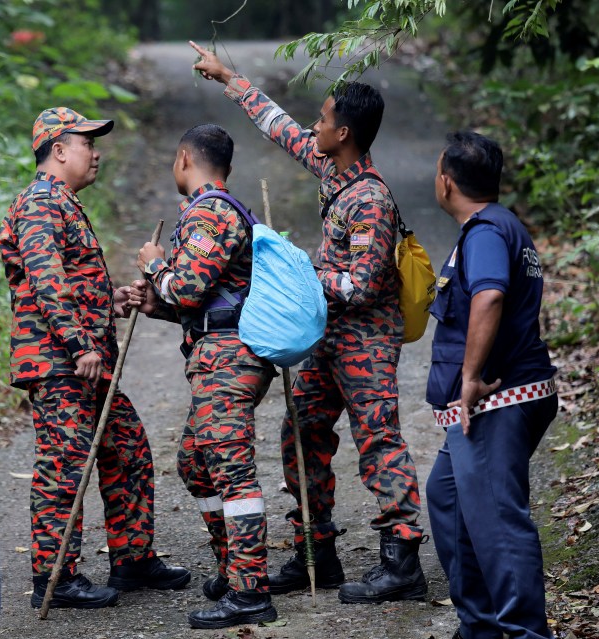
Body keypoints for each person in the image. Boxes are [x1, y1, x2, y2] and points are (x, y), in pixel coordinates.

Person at [190, 42, 427, 603]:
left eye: (322, 119)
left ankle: (402, 560)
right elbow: (278, 127)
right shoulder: (330, 167)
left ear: (344, 133)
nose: (312, 127)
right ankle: (316, 551)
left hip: (366, 340)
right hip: (328, 338)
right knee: (301, 433)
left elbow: (363, 285)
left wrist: (299, 274)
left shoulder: (370, 199)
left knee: (378, 439)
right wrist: (231, 77)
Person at [0, 107, 190, 610]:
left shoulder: (62, 202)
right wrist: (79, 342)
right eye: (86, 142)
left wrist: (114, 300)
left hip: (85, 362)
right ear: (59, 150)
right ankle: (55, 577)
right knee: (64, 465)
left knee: (126, 448)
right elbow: (46, 280)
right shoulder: (41, 203)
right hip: (61, 362)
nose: (96, 150)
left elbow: (74, 283)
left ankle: (131, 559)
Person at [136, 124, 278, 629]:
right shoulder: (214, 210)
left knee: (233, 471)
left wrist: (156, 268)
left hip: (229, 362)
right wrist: (157, 304)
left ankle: (250, 591)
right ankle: (233, 567)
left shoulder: (211, 212)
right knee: (196, 464)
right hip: (218, 353)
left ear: (183, 160)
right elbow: (206, 304)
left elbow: (191, 288)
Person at [425, 131, 558, 639]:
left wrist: (470, 378)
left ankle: (525, 632)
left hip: (495, 400)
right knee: (449, 498)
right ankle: (478, 627)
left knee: (498, 522)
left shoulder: (484, 233)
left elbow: (489, 298)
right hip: (496, 400)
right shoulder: (500, 226)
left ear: (446, 183)